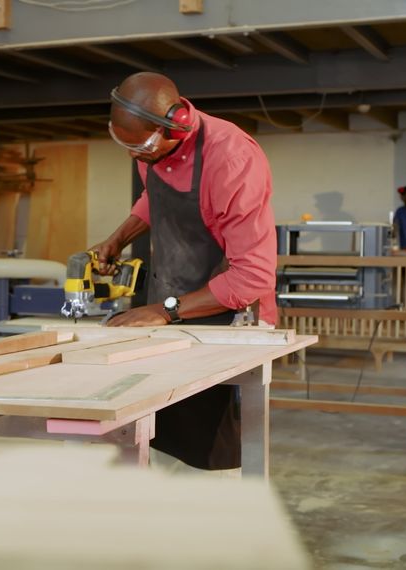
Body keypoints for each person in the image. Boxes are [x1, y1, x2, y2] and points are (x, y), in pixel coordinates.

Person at [88, 72, 277, 471]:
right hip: (173, 307)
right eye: (123, 144)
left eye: (138, 146)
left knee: (213, 452)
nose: (132, 155)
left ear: (171, 128)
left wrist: (163, 311)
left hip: (228, 317)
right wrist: (118, 238)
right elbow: (151, 198)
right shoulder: (152, 153)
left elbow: (252, 278)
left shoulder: (232, 159)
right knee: (163, 431)